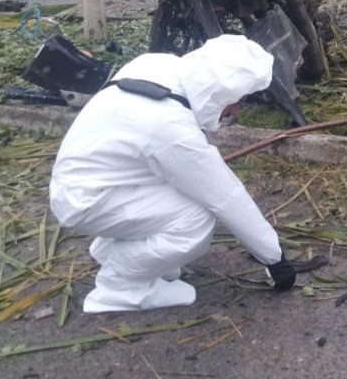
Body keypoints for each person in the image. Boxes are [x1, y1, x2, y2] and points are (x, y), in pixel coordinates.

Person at [49, 35, 296, 313]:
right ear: (218, 92)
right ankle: (120, 287)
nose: (237, 109)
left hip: (92, 182)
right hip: (86, 200)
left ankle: (116, 254)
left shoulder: (159, 65)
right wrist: (275, 259)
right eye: (238, 100)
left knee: (182, 196)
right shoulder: (168, 126)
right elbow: (224, 195)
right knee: (195, 219)